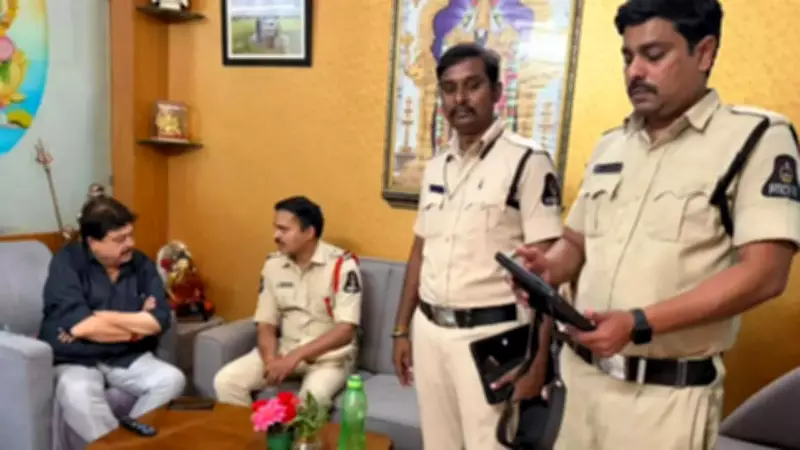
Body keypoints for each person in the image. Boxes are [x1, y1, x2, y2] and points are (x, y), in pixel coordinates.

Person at [514, 1, 800, 449]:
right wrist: (548, 268)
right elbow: (576, 243)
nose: (635, 71)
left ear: (703, 53)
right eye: (628, 57)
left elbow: (765, 273)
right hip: (580, 385)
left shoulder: (757, 138)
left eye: (653, 55)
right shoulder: (611, 145)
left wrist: (638, 322)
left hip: (663, 402)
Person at [391, 43, 564, 449]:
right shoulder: (437, 166)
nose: (460, 99)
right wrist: (401, 329)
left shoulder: (528, 162)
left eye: (472, 86)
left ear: (497, 92)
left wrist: (539, 362)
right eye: (449, 89)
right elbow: (420, 251)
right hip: (430, 332)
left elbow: (549, 273)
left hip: (491, 338)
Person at [39, 196, 186, 443]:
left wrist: (103, 316)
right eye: (119, 239)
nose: (130, 244)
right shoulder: (67, 263)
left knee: (172, 379)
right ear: (92, 242)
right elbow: (84, 326)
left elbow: (158, 320)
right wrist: (135, 328)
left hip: (124, 356)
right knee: (78, 392)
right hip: (76, 357)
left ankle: (132, 445)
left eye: (130, 235)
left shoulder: (141, 264)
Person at [213, 196, 362, 408]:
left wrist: (295, 357)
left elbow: (345, 330)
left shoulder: (342, 266)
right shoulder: (273, 265)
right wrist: (271, 360)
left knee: (311, 401)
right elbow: (266, 323)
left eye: (284, 230)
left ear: (309, 232)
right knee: (226, 381)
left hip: (329, 359)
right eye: (276, 228)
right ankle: (251, 430)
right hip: (284, 350)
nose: (276, 236)